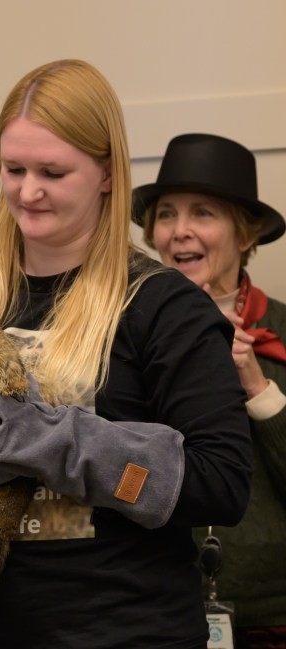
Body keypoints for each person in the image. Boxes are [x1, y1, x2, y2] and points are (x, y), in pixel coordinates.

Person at [0, 59, 252, 648]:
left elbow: (221, 484)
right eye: (13, 168)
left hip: (126, 632)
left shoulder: (163, 307)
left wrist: (56, 442)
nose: (27, 190)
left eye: (52, 171)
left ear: (105, 173)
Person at [134, 132, 286, 649]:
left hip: (271, 614)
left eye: (202, 214)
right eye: (167, 215)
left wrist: (256, 384)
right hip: (151, 606)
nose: (179, 232)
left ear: (245, 235)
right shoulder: (125, 332)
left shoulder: (282, 332)